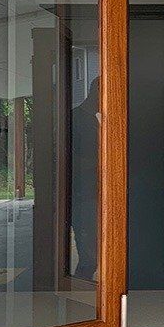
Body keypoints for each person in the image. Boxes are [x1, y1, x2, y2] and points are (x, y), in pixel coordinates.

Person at [71, 76, 99, 280]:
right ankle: (79, 293)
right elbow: (74, 157)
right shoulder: (78, 119)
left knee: (91, 248)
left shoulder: (90, 118)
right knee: (89, 251)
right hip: (81, 192)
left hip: (89, 191)